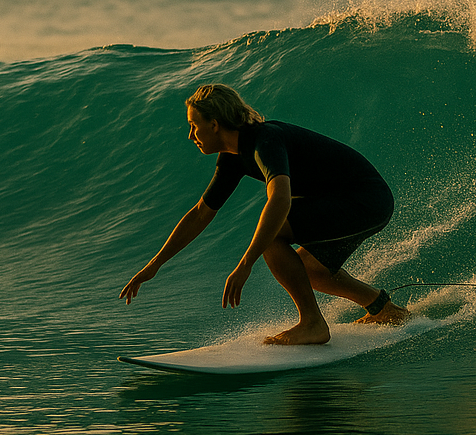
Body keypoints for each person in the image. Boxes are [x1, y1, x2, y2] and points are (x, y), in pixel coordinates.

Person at [119, 83, 408, 345]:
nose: (191, 134)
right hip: (355, 201)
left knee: (272, 232)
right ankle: (384, 309)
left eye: (194, 125)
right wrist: (155, 265)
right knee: (311, 271)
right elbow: (200, 214)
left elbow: (280, 198)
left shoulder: (264, 140)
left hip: (365, 200)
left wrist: (246, 263)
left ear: (215, 124)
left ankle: (312, 324)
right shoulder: (233, 157)